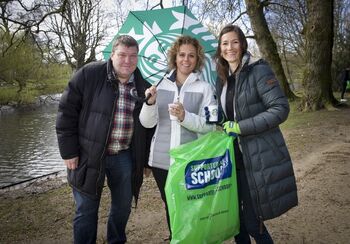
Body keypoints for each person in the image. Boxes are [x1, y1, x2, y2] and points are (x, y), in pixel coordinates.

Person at [56, 35, 154, 244]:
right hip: (88, 155)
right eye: (122, 55)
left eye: (133, 56)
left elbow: (148, 128)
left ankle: (116, 240)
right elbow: (66, 111)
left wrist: (145, 161)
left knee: (123, 207)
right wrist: (68, 151)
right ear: (112, 55)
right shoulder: (89, 74)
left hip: (125, 155)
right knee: (86, 210)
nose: (127, 61)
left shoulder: (144, 86)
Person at [214, 25, 298, 243]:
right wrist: (216, 118)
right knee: (236, 222)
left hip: (257, 157)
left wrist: (242, 127)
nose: (229, 47)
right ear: (219, 48)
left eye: (234, 42)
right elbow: (227, 115)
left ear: (242, 44)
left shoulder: (258, 70)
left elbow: (280, 109)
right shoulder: (222, 78)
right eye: (224, 43)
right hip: (233, 159)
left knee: (253, 222)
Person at [139, 35, 217, 240]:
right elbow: (146, 123)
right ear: (175, 57)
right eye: (182, 54)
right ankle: (177, 238)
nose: (186, 59)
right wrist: (150, 103)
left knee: (192, 206)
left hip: (190, 160)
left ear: (197, 59)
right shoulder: (159, 85)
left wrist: (185, 117)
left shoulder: (206, 88)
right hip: (161, 160)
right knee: (171, 206)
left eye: (191, 55)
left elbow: (211, 126)